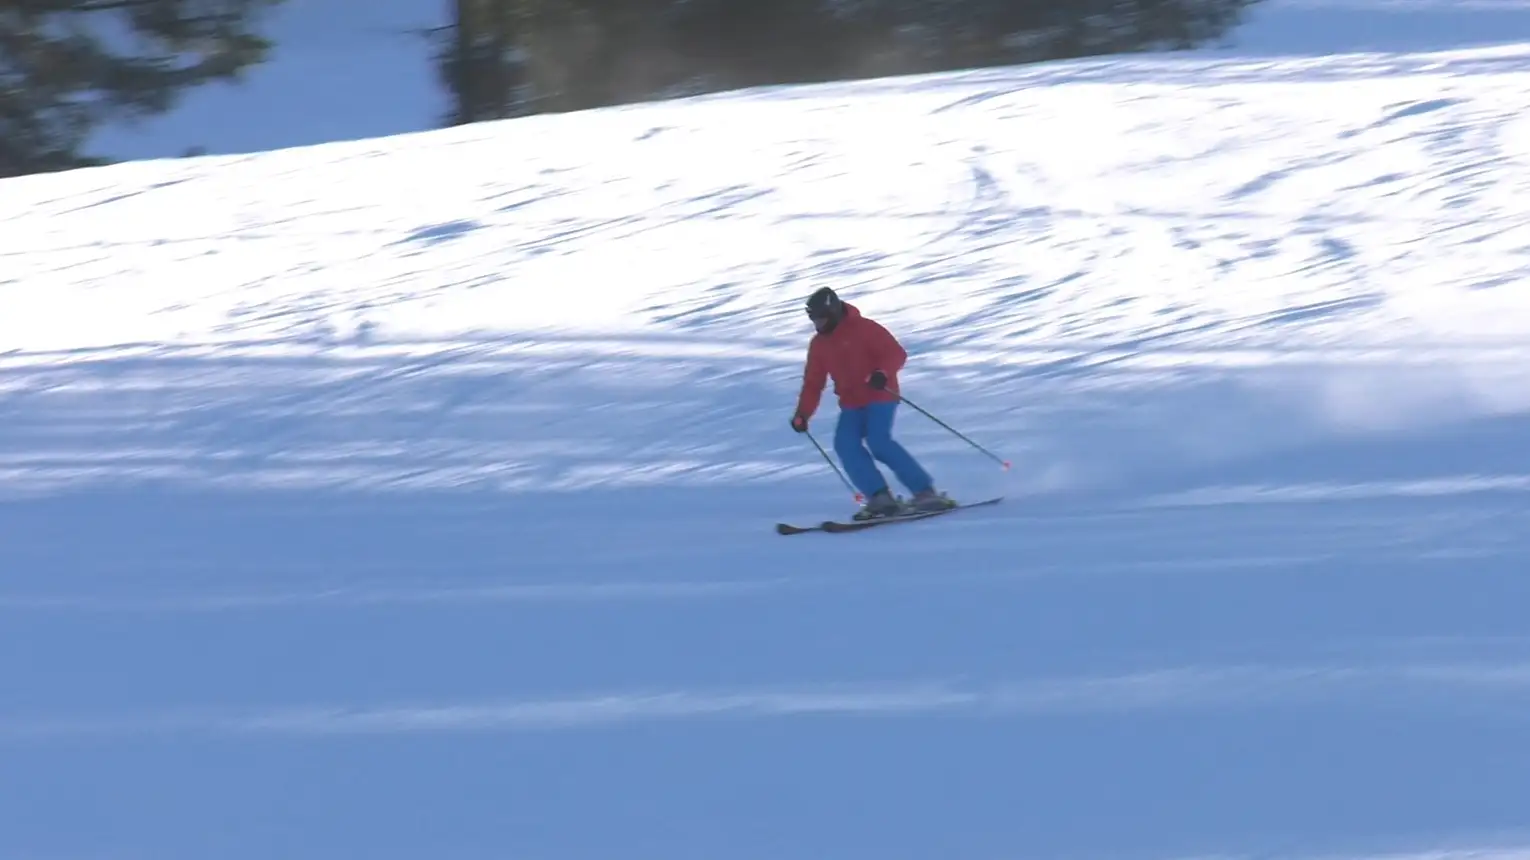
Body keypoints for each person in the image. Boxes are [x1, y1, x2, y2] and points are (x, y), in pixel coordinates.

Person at [790, 286, 954, 519]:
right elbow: (813, 383)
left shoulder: (864, 328)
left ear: (834, 312)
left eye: (822, 319)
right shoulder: (819, 344)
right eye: (814, 320)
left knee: (878, 441)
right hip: (851, 402)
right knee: (845, 445)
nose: (818, 325)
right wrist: (802, 414)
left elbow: (895, 353)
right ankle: (879, 497)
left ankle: (925, 493)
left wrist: (882, 372)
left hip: (880, 394)